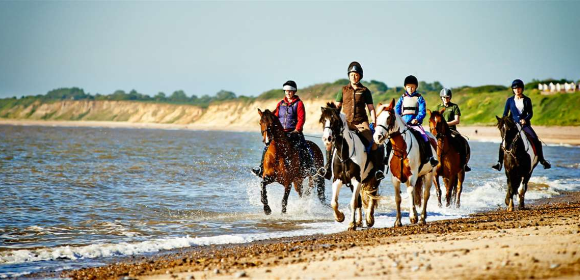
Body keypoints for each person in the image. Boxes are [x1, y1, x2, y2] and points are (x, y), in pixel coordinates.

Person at [321, 61, 384, 180]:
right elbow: (337, 107)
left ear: (360, 76)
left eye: (356, 75)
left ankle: (376, 170)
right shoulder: (343, 90)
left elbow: (371, 108)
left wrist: (374, 123)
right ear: (348, 76)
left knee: (374, 143)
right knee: (330, 142)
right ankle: (328, 168)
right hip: (347, 123)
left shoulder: (365, 91)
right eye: (351, 75)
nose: (354, 77)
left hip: (361, 123)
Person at [251, 80, 317, 177]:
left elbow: (301, 119)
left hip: (294, 132)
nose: (288, 93)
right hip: (281, 134)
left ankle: (311, 167)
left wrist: (297, 130)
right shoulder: (280, 104)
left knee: (304, 147)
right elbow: (274, 116)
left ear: (294, 92)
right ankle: (261, 168)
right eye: (286, 91)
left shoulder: (299, 104)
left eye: (290, 91)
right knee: (267, 148)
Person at [492, 79, 551, 170]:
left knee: (535, 139)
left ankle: (542, 160)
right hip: (513, 125)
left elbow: (530, 113)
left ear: (522, 89)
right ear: (513, 90)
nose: (517, 90)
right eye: (515, 89)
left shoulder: (527, 100)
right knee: (503, 142)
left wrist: (525, 120)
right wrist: (507, 121)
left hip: (524, 125)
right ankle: (499, 163)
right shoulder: (509, 100)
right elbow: (505, 114)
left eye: (519, 88)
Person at [395, 75, 438, 167]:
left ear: (416, 87)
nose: (410, 89)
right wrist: (399, 120)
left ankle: (430, 157)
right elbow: (397, 110)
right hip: (404, 124)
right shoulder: (402, 98)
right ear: (405, 87)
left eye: (412, 87)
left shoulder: (419, 98)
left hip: (415, 124)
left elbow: (422, 112)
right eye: (408, 87)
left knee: (424, 136)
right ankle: (388, 157)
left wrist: (417, 119)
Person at [436, 88, 471, 171]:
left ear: (450, 97)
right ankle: (432, 161)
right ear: (441, 98)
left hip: (451, 129)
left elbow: (457, 120)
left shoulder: (454, 106)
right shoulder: (438, 107)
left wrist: (446, 124)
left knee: (461, 141)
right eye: (444, 97)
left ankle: (464, 163)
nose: (445, 99)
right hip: (441, 131)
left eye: (447, 97)